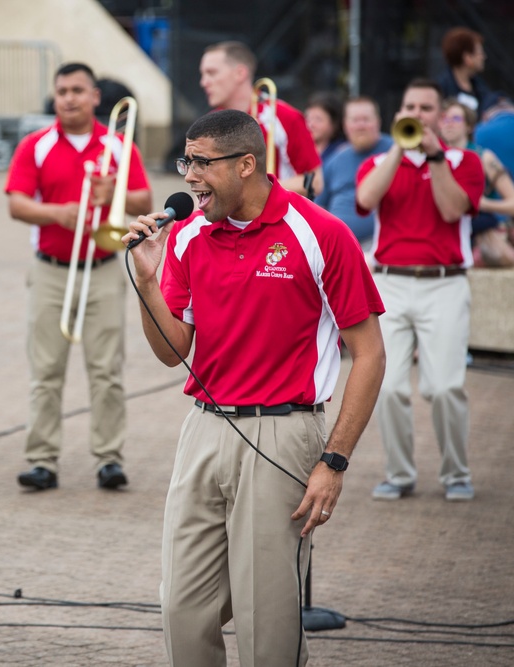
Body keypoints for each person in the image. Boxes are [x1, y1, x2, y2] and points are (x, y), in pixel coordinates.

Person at [125, 108, 385, 666]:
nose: (189, 177)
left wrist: (334, 462)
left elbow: (369, 355)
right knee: (182, 608)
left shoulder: (320, 233)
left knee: (267, 619)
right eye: (185, 161)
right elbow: (173, 353)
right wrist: (147, 282)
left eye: (202, 163)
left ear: (247, 164)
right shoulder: (189, 233)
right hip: (204, 429)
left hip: (285, 433)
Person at [5, 62, 152, 492]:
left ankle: (109, 457)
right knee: (46, 369)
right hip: (50, 270)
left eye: (77, 90)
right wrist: (57, 214)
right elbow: (16, 203)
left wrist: (113, 195)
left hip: (104, 267)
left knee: (106, 369)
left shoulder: (119, 145)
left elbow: (144, 197)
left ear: (94, 97)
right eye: (62, 90)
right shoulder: (36, 145)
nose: (68, 97)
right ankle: (42, 459)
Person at [356, 79, 485, 502]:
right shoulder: (379, 162)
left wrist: (433, 157)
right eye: (409, 106)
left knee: (445, 387)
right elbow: (366, 198)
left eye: (426, 107)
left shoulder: (464, 161)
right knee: (389, 386)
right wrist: (399, 147)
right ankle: (399, 473)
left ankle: (456, 473)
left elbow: (452, 209)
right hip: (389, 282)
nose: (417, 113)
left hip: (444, 284)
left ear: (440, 114)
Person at [199, 40, 323, 196]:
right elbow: (203, 187)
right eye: (203, 74)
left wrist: (259, 189)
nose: (203, 82)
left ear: (240, 73)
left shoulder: (283, 116)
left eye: (211, 73)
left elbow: (315, 181)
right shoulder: (208, 125)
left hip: (279, 216)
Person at [440, 98, 514, 267]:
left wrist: (484, 204)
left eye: (456, 119)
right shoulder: (435, 158)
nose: (449, 124)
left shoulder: (484, 157)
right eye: (444, 118)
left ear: (469, 126)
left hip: (480, 237)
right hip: (445, 237)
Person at [315, 96, 393, 249]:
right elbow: (319, 207)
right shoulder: (334, 160)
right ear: (345, 125)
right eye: (355, 120)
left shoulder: (395, 151)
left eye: (366, 119)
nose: (360, 125)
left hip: (378, 245)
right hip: (337, 244)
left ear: (378, 122)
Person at [437, 27, 492, 120]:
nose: (484, 57)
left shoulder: (479, 86)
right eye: (480, 53)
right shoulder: (441, 89)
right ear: (467, 58)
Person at [305, 91, 346, 163]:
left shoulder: (342, 152)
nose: (311, 124)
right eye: (308, 118)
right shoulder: (300, 149)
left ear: (335, 123)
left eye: (318, 119)